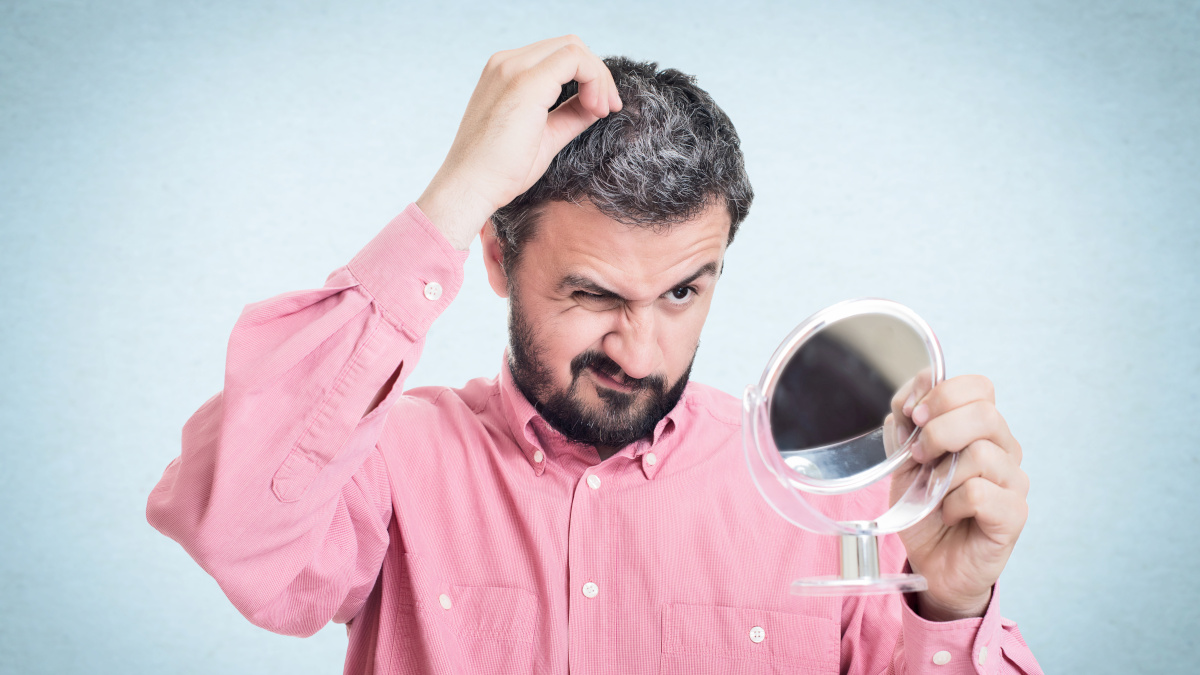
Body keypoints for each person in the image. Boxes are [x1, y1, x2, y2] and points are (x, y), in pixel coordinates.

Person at [147, 36, 1043, 674]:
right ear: (497, 257)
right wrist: (453, 199)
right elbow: (235, 526)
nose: (641, 351)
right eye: (593, 294)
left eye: (684, 292)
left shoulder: (831, 494)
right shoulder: (390, 461)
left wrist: (951, 608)